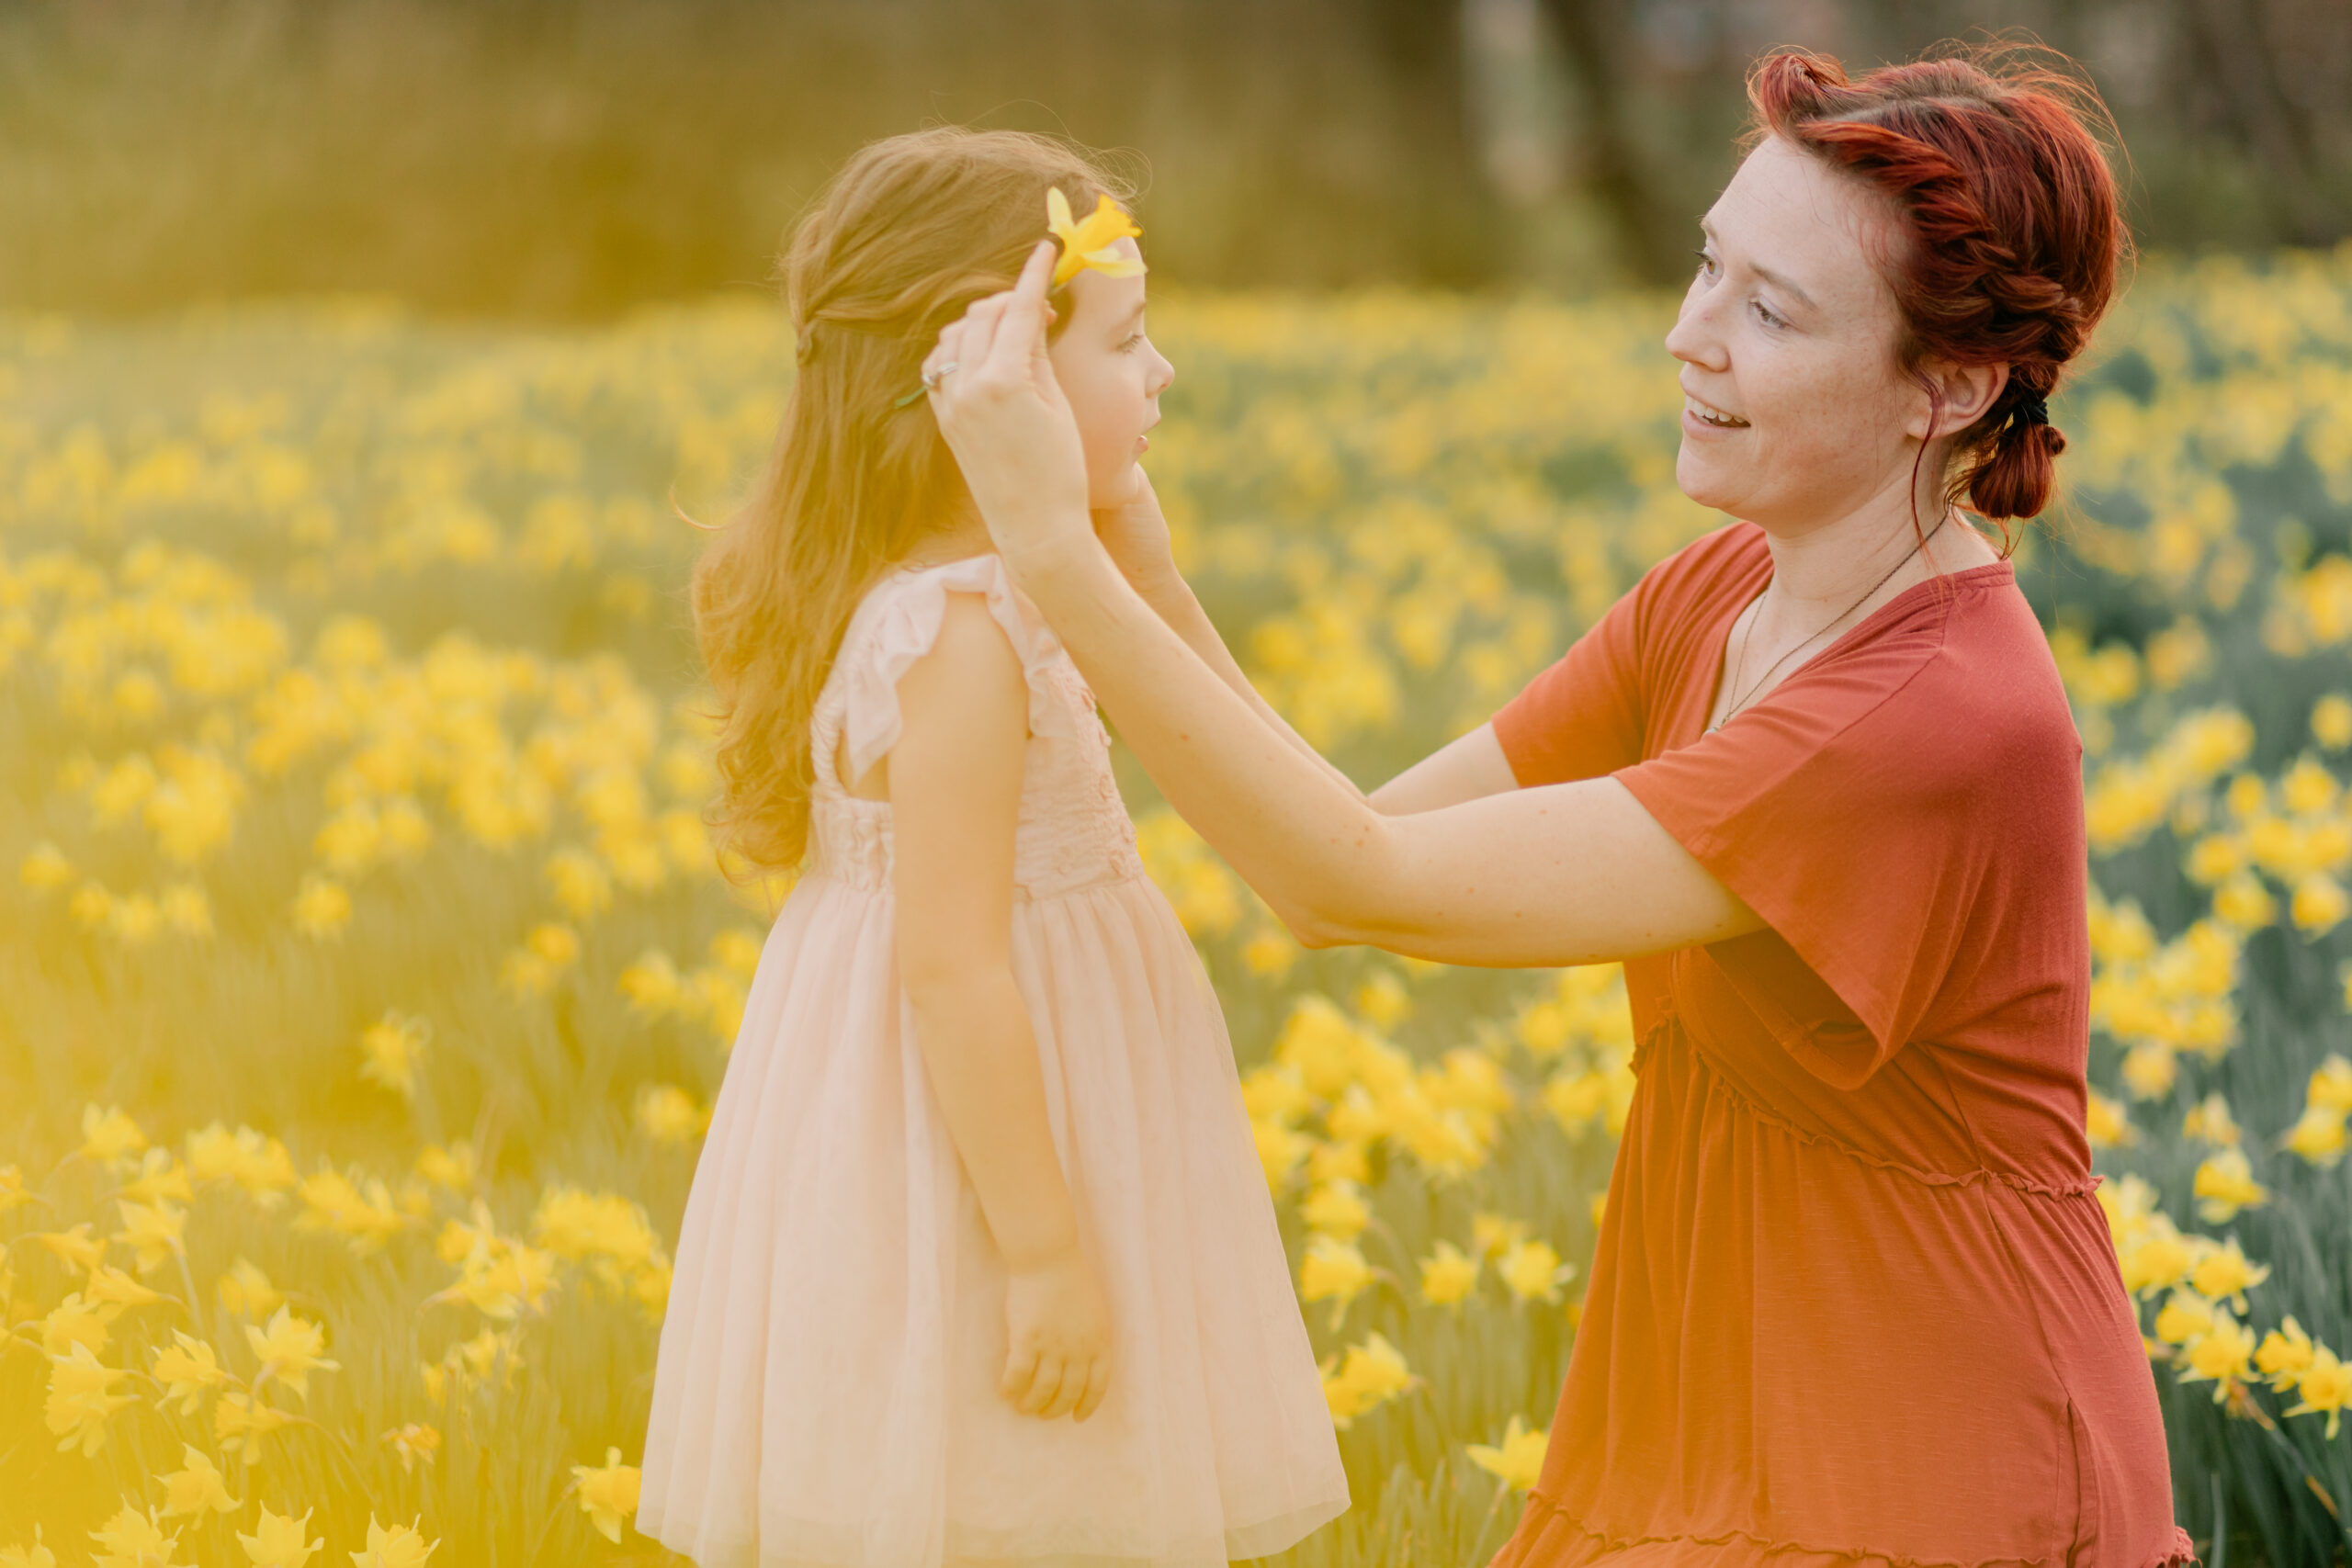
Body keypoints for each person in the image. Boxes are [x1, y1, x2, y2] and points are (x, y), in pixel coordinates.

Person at [922, 47, 2201, 1568]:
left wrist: (1053, 553)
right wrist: (1128, 536)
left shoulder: (1926, 718)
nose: (1688, 337)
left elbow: (1353, 881)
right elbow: (1336, 841)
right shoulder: (1725, 591)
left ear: (1952, 388)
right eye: (1708, 270)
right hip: (1724, 1380)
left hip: (1930, 1433)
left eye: (1769, 312)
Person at [633, 128, 1350, 1568]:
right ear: (996, 365)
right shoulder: (959, 640)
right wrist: (1042, 1253)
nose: (1162, 377)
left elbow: (1250, 757)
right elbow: (955, 970)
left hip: (1010, 1103)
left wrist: (1135, 548)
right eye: (1129, 340)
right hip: (990, 1150)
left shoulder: (1002, 590)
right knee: (1010, 1482)